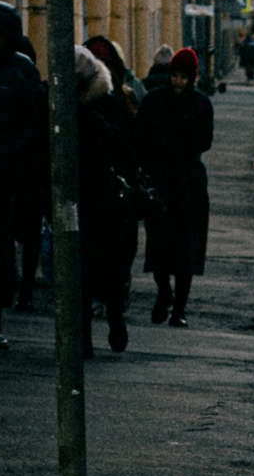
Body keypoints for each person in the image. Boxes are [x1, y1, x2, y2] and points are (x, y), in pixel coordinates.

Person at [136, 47, 213, 328]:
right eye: (175, 76)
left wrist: (179, 138)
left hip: (189, 185)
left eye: (183, 77)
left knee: (186, 250)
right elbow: (140, 137)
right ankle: (164, 293)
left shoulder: (201, 104)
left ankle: (179, 308)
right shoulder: (155, 100)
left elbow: (205, 141)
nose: (178, 82)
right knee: (158, 246)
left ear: (191, 78)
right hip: (161, 182)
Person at [75, 45, 139, 354]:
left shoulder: (108, 105)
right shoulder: (63, 108)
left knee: (110, 269)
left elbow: (125, 149)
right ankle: (83, 337)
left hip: (107, 203)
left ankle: (116, 321)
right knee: (79, 273)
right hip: (75, 201)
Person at [0, 1, 43, 349]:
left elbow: (34, 124)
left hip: (4, 180)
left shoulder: (22, 72)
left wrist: (14, 157)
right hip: (5, 173)